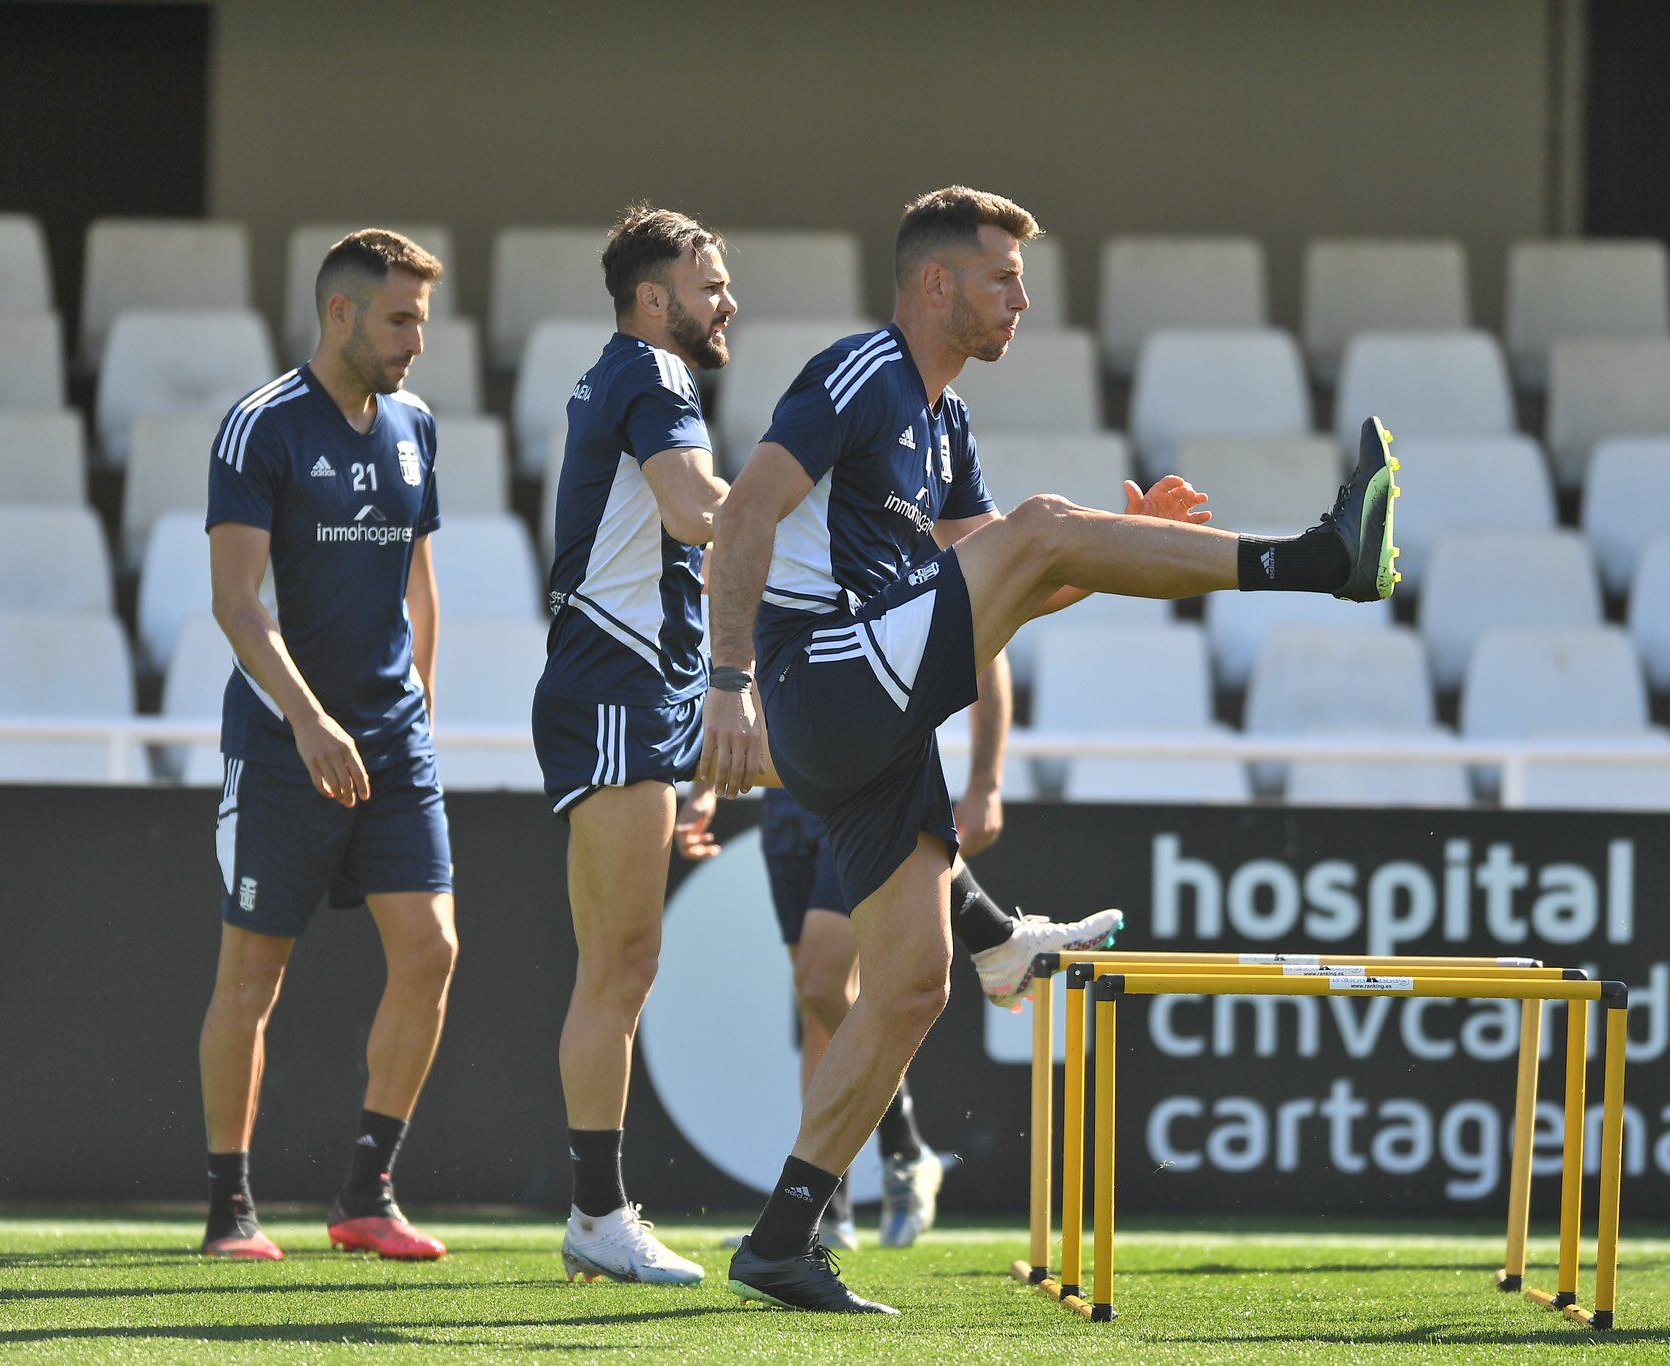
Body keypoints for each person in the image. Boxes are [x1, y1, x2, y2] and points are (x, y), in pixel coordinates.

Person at [701, 186, 1399, 1312]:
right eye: (1001, 278)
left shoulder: (947, 423)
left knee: (912, 989)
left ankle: (782, 1237)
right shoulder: (857, 373)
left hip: (874, 715)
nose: (1021, 299)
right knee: (1040, 524)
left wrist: (1132, 547)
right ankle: (1320, 560)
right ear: (935, 284)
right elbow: (740, 518)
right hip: (816, 681)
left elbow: (1007, 601)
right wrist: (728, 687)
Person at [198, 229, 456, 1262]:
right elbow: (234, 599)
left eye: (422, 323)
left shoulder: (416, 425)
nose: (415, 343)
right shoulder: (259, 427)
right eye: (399, 320)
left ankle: (366, 1189)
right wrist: (308, 718)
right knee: (252, 979)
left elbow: (418, 580)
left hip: (394, 745)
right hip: (280, 744)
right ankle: (230, 1206)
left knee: (432, 952)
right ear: (340, 312)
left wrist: (418, 709)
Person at [676, 663, 1123, 1251]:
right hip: (788, 790)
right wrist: (708, 784)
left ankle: (995, 953)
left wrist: (987, 779)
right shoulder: (763, 571)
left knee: (821, 975)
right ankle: (826, 1208)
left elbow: (982, 647)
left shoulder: (890, 566)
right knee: (821, 1004)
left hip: (862, 775)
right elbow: (748, 651)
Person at [532, 204, 733, 1288]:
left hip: (632, 695)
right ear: (654, 299)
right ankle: (597, 1214)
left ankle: (594, 1212)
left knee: (621, 964)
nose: (725, 301)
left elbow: (672, 553)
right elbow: (699, 513)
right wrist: (810, 506)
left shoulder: (625, 375)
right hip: (612, 691)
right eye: (710, 284)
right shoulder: (652, 380)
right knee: (617, 967)